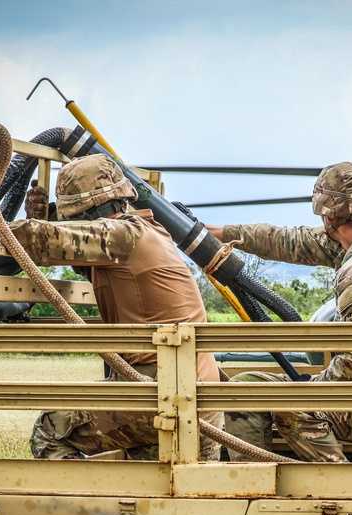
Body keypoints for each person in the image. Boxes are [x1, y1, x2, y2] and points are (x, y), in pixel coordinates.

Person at [205, 161, 352, 462]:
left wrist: (311, 387)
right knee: (246, 389)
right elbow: (287, 240)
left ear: (329, 213)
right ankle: (254, 482)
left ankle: (338, 489)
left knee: (292, 405)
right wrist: (217, 233)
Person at [15, 153, 222, 461]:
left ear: (85, 212)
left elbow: (27, 238)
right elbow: (83, 260)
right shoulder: (148, 233)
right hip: (191, 397)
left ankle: (83, 508)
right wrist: (48, 220)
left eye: (70, 216)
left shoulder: (121, 236)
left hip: (162, 390)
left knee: (51, 428)